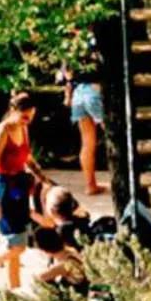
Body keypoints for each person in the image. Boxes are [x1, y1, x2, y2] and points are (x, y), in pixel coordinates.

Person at [0, 90, 46, 291]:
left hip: (19, 187)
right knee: (14, 244)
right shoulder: (2, 131)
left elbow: (27, 157)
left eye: (31, 116)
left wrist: (43, 178)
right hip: (5, 188)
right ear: (13, 111)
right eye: (24, 116)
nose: (28, 120)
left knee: (18, 244)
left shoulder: (24, 128)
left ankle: (15, 288)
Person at [59, 57, 105, 199]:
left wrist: (67, 97)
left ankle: (90, 186)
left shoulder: (72, 51)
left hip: (77, 94)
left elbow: (67, 77)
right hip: (94, 90)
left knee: (87, 143)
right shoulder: (95, 46)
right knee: (114, 136)